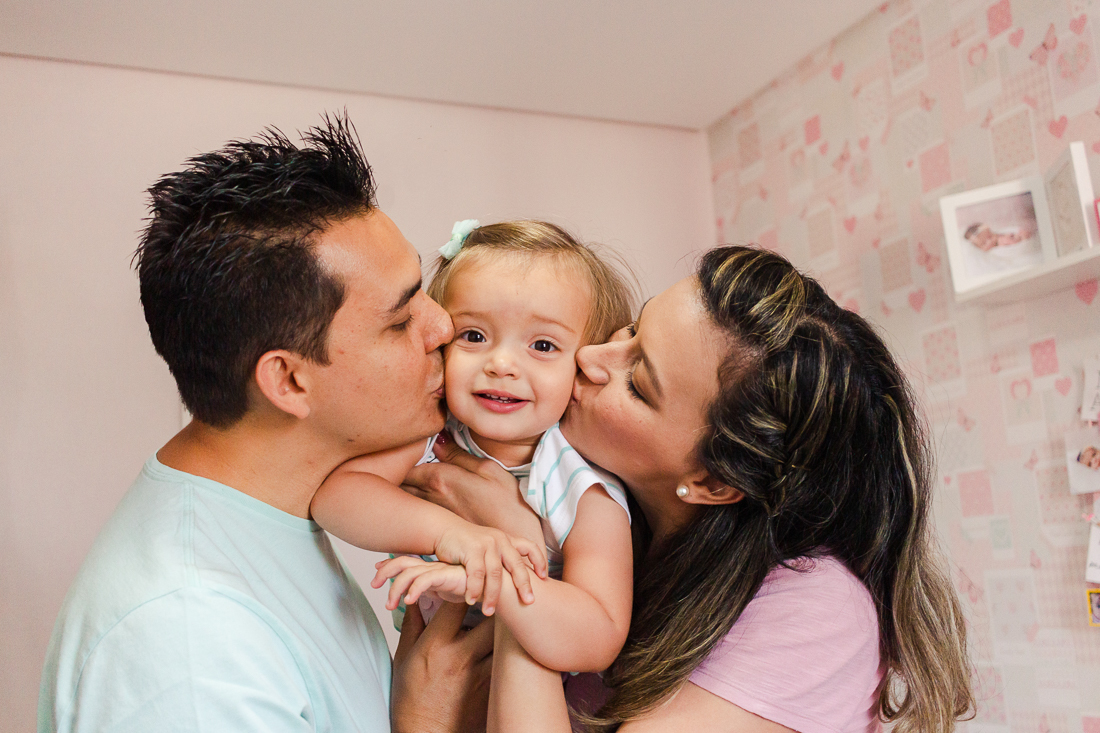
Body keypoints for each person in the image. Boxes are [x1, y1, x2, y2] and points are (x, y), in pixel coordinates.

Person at [38, 116, 511, 732]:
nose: (441, 327)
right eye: (399, 322)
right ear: (288, 382)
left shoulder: (271, 519)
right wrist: (425, 723)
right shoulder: (190, 643)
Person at [394, 245, 975, 732]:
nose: (592, 358)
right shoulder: (605, 528)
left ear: (711, 482)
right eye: (632, 330)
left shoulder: (817, 609)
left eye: (638, 381)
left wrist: (518, 564)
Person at [313, 219, 636, 675]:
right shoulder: (434, 437)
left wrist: (494, 581)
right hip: (427, 671)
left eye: (542, 345)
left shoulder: (583, 487)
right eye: (474, 336)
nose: (501, 364)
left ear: (585, 369)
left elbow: (597, 637)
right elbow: (335, 498)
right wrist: (449, 534)